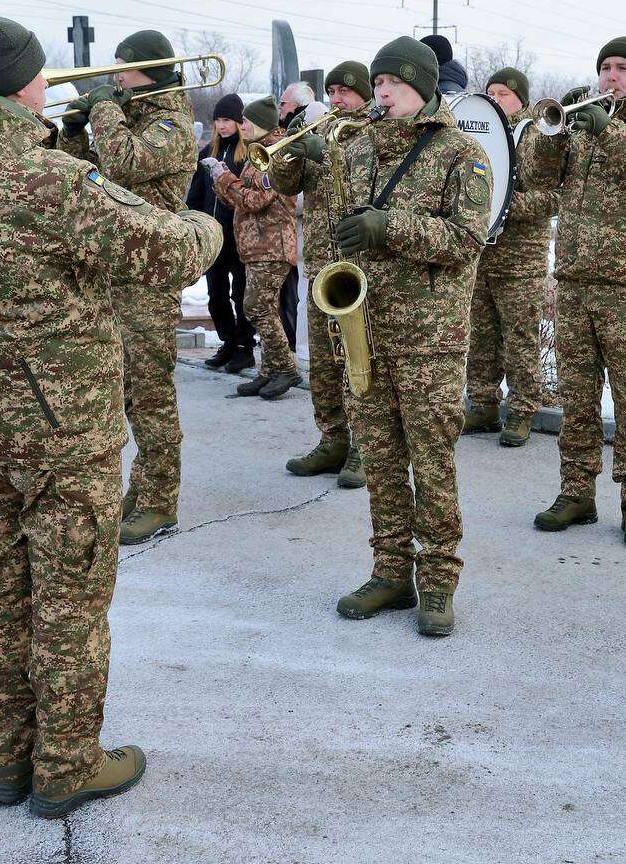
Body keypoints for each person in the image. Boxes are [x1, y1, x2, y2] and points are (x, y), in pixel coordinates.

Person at [0, 12, 219, 819]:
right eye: (41, 73)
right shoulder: (48, 181)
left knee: (1, 589)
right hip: (66, 429)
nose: (52, 84)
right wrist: (206, 222)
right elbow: (168, 250)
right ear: (21, 83)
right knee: (70, 600)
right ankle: (67, 764)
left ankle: (7, 761)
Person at [285, 37, 490, 636]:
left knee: (430, 462)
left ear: (422, 87)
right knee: (380, 458)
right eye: (376, 83)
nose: (380, 94)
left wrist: (388, 228)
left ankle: (438, 582)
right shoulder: (357, 150)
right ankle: (390, 571)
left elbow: (467, 240)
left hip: (430, 337)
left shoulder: (463, 155)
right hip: (366, 328)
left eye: (392, 84)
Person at [524, 36, 626, 548]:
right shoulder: (581, 121)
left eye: (621, 68)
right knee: (577, 397)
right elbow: (537, 175)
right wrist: (554, 134)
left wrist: (611, 131)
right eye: (604, 68)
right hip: (574, 278)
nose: (610, 77)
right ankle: (576, 491)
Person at [58, 30, 198, 546]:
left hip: (148, 275)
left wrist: (103, 113)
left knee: (149, 392)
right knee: (119, 389)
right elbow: (84, 176)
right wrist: (73, 129)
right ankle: (138, 490)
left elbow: (125, 163)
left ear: (151, 71)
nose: (115, 76)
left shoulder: (170, 124)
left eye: (124, 68)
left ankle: (160, 500)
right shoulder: (129, 116)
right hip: (112, 269)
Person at [271, 61, 373, 490]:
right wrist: (293, 145)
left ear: (364, 95)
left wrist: (327, 152)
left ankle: (364, 448)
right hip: (319, 266)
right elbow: (282, 184)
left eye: (344, 92)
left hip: (357, 268)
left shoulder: (371, 131)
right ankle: (331, 438)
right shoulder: (320, 129)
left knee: (356, 362)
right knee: (324, 367)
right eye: (330, 91)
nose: (335, 100)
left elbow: (364, 178)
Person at [461, 67, 557, 447]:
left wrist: (504, 205)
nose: (495, 99)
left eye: (503, 93)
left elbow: (553, 196)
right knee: (481, 335)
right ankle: (482, 403)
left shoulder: (534, 136)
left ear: (521, 99)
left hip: (520, 261)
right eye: (491, 92)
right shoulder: (476, 132)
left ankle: (522, 410)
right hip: (481, 254)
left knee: (519, 337)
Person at [208, 95, 301, 399]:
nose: (241, 125)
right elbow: (241, 199)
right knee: (261, 307)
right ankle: (269, 371)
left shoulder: (273, 155)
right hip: (257, 246)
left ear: (261, 125)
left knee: (257, 307)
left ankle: (286, 368)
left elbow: (255, 200)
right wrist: (220, 180)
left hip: (271, 245)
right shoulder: (255, 153)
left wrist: (226, 180)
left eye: (246, 121)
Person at [187, 93, 254, 373]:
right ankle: (227, 342)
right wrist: (194, 221)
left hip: (238, 237)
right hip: (213, 237)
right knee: (217, 294)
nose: (222, 125)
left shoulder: (248, 153)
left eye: (227, 120)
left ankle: (244, 346)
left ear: (238, 122)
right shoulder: (207, 154)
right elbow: (196, 194)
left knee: (240, 294)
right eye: (218, 120)